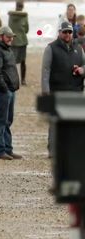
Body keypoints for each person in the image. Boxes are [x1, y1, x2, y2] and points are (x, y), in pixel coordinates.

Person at [41, 21, 85, 157]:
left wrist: (81, 70)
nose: (67, 34)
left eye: (70, 32)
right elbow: (45, 71)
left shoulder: (79, 48)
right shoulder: (51, 48)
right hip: (57, 90)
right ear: (59, 32)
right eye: (65, 32)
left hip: (75, 90)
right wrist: (45, 91)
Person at [0, 26, 22, 160]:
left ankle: (8, 149)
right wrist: (5, 88)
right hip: (2, 91)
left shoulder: (7, 50)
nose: (10, 39)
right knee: (1, 120)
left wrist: (12, 88)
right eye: (8, 37)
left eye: (12, 37)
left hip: (10, 90)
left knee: (8, 120)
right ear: (0, 36)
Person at [8, 0, 29, 85]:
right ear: (22, 6)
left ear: (16, 6)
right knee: (23, 61)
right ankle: (23, 80)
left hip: (13, 41)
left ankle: (12, 78)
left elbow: (9, 28)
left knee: (12, 61)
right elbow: (27, 29)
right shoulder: (24, 16)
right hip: (23, 40)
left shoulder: (11, 15)